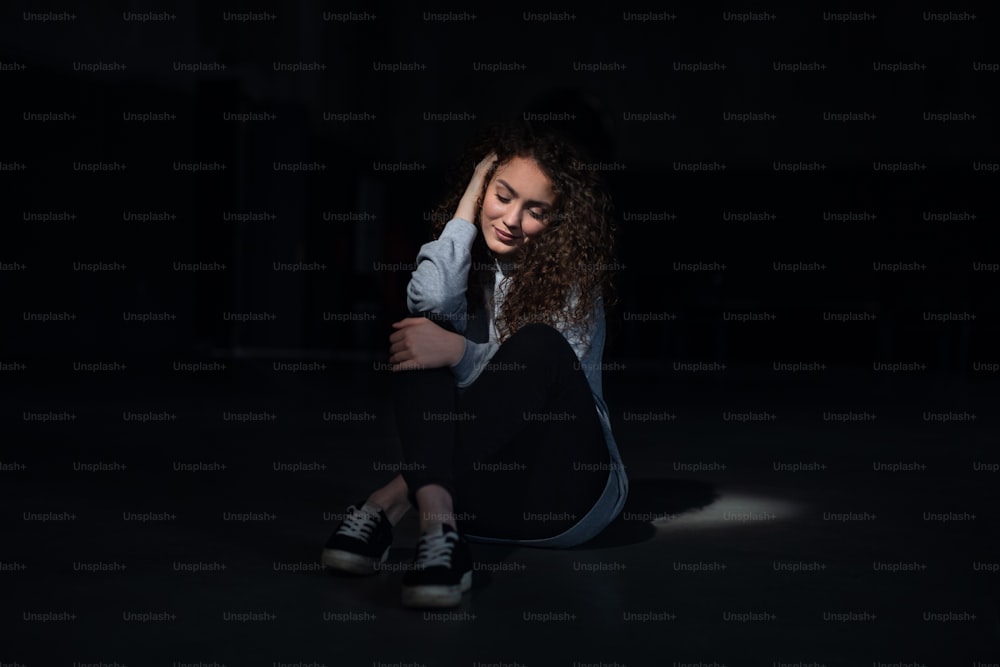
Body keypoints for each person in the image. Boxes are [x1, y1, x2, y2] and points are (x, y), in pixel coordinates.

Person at [321, 121, 629, 608]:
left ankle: (387, 503)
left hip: (566, 496)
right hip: (478, 505)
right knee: (422, 332)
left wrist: (461, 353)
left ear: (557, 223)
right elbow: (430, 298)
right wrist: (467, 209)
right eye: (501, 195)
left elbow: (537, 380)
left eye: (535, 210)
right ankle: (440, 537)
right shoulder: (470, 264)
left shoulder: (573, 281)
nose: (510, 218)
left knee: (540, 344)